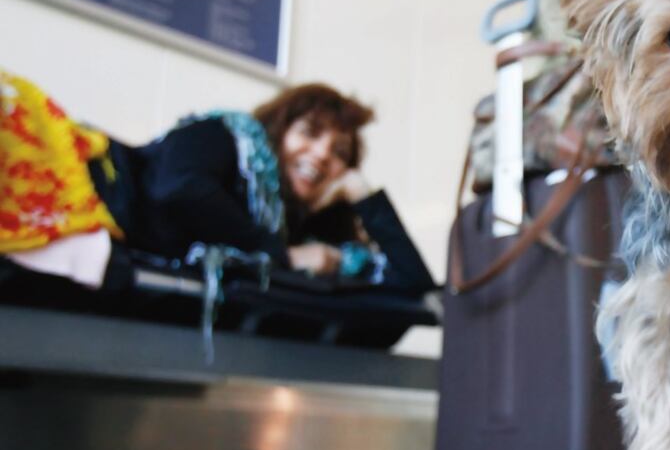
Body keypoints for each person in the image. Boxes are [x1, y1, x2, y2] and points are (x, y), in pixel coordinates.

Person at [1, 72, 435, 295]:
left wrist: (361, 193)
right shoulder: (225, 135)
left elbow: (412, 282)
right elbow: (178, 187)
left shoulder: (292, 230)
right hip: (79, 170)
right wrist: (281, 254)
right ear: (278, 131)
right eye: (310, 133)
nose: (323, 154)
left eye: (340, 152)